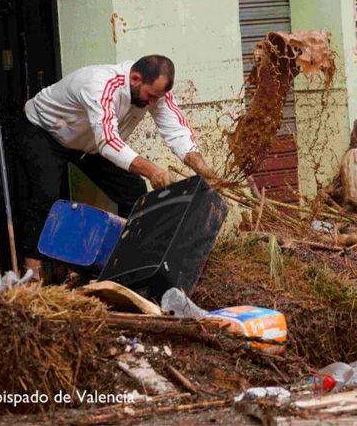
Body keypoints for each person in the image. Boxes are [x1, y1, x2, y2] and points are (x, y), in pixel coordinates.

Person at [15, 55, 217, 281]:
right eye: (150, 96)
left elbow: (176, 130)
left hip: (89, 141)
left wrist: (201, 166)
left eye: (157, 98)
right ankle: (31, 275)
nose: (152, 103)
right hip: (45, 132)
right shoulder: (99, 84)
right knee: (45, 196)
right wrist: (153, 170)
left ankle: (124, 263)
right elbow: (108, 142)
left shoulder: (156, 93)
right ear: (135, 78)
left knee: (133, 192)